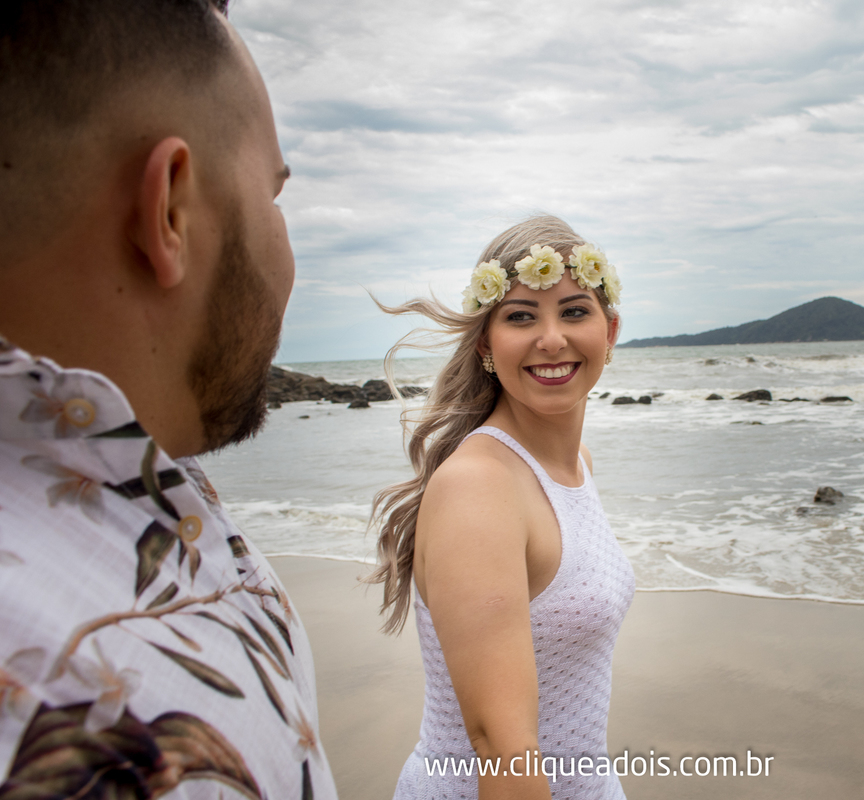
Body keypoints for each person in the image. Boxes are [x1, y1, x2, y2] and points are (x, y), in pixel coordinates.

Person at [0, 1, 336, 797]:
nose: (289, 252)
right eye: (275, 196)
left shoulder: (136, 479)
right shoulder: (91, 718)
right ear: (171, 209)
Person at [371, 216, 636, 799]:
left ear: (610, 330)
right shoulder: (478, 488)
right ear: (485, 342)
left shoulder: (575, 463)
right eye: (521, 316)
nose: (551, 338)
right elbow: (501, 745)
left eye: (573, 311)